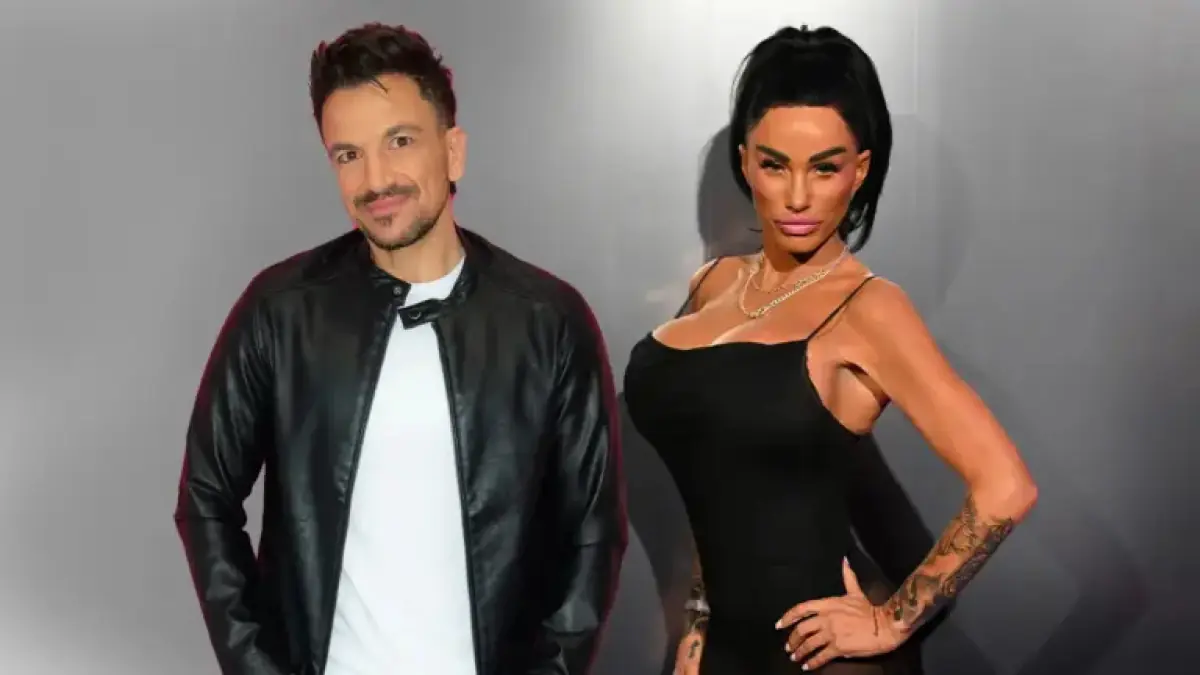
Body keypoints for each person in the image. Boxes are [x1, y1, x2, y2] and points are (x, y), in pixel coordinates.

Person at [173, 23, 627, 675]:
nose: (376, 178)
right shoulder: (280, 310)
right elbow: (205, 498)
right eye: (347, 154)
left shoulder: (549, 321)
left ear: (453, 151)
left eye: (400, 141)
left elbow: (593, 531)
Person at [623, 25, 1038, 674]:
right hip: (723, 649)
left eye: (825, 168)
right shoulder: (714, 283)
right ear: (745, 162)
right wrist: (698, 622)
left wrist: (890, 620)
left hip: (822, 658)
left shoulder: (869, 309)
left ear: (860, 170)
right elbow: (717, 464)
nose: (797, 197)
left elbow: (1006, 487)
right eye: (774, 165)